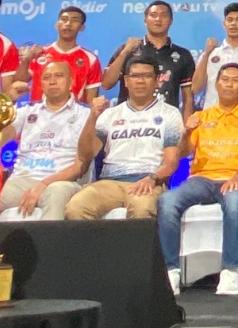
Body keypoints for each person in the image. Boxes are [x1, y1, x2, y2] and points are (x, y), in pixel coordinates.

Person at [157, 61, 238, 295]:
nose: (229, 84)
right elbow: (183, 153)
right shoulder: (201, 116)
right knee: (167, 201)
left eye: (235, 81)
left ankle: (230, 270)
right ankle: (171, 271)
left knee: (234, 205)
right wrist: (187, 132)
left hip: (233, 178)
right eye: (225, 79)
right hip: (201, 179)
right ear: (216, 83)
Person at [66, 54, 183, 220]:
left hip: (148, 181)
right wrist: (92, 117)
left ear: (157, 81)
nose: (140, 81)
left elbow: (171, 162)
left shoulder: (170, 113)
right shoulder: (110, 114)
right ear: (126, 81)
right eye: (135, 76)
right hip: (109, 183)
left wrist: (152, 179)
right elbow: (85, 155)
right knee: (76, 207)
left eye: (147, 76)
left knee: (142, 209)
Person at [0, 59, 89, 221]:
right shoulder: (27, 110)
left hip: (61, 181)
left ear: (71, 82)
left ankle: (50, 239)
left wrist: (44, 184)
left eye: (58, 76)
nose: (52, 81)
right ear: (41, 84)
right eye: (47, 77)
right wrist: (9, 102)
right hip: (22, 180)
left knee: (56, 192)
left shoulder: (85, 114)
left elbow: (79, 166)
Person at [100, 0, 196, 115]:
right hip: (128, 120)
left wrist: (186, 125)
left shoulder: (183, 55)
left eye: (164, 15)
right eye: (153, 15)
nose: (158, 19)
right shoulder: (127, 49)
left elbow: (188, 97)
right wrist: (125, 52)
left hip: (166, 120)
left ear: (171, 21)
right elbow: (106, 84)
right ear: (145, 20)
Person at [13, 6, 103, 103]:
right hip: (39, 111)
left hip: (73, 112)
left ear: (81, 27)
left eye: (74, 20)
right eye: (64, 19)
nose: (68, 24)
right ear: (57, 25)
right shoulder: (40, 54)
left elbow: (91, 100)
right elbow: (18, 82)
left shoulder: (90, 59)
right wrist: (26, 60)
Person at [193, 3, 238, 108]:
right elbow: (195, 88)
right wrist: (206, 54)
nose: (233, 23)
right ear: (224, 24)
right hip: (213, 114)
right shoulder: (211, 54)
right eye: (229, 20)